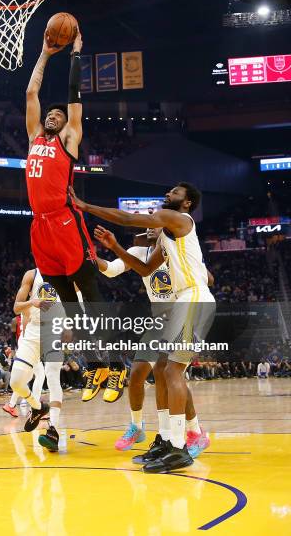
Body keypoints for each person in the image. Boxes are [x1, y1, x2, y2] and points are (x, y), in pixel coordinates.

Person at [70, 182, 216, 473]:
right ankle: (165, 440)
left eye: (175, 193)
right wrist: (114, 247)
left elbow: (127, 218)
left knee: (173, 370)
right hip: (181, 301)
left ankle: (179, 446)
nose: (168, 195)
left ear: (187, 204)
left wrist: (85, 207)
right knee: (161, 370)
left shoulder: (180, 219)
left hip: (193, 298)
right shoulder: (165, 239)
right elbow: (147, 269)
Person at [24, 29, 125, 402]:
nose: (52, 116)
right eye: (49, 115)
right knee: (70, 308)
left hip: (66, 222)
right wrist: (45, 54)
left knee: (92, 294)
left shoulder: (69, 140)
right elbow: (32, 93)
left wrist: (75, 54)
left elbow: (73, 98)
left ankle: (117, 366)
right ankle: (97, 364)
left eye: (57, 115)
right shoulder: (35, 138)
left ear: (66, 124)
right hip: (40, 227)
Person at [95, 227, 210, 459]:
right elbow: (111, 269)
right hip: (158, 323)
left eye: (154, 223)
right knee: (137, 373)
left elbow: (208, 279)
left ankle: (190, 431)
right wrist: (92, 259)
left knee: (168, 374)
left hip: (182, 316)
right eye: (146, 225)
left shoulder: (178, 249)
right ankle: (137, 427)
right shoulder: (139, 252)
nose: (149, 228)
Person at [9, 268, 66, 452]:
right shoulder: (31, 275)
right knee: (16, 382)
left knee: (52, 374)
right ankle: (38, 407)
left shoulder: (64, 273)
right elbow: (16, 307)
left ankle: (53, 431)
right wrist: (31, 302)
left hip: (55, 329)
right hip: (33, 330)